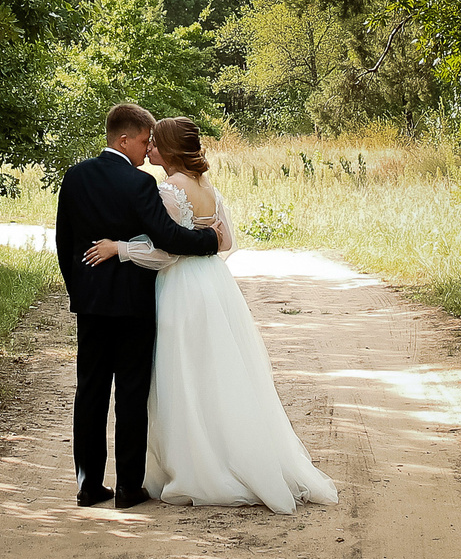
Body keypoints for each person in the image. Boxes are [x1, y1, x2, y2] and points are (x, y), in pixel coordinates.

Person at [81, 116, 338, 513]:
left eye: (155, 144)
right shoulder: (207, 188)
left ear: (168, 150)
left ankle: (196, 466)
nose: (149, 149)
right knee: (214, 372)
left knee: (181, 374)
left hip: (180, 288)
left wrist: (120, 248)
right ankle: (226, 454)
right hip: (213, 284)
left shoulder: (169, 189)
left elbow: (165, 251)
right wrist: (203, 239)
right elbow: (225, 240)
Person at [55, 103, 222, 508]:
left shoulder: (75, 177)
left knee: (90, 391)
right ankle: (129, 487)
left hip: (92, 305)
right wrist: (210, 240)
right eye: (144, 141)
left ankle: (88, 485)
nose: (147, 149)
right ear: (124, 139)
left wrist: (79, 291)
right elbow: (169, 238)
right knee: (131, 393)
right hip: (133, 304)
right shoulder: (140, 184)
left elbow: (64, 242)